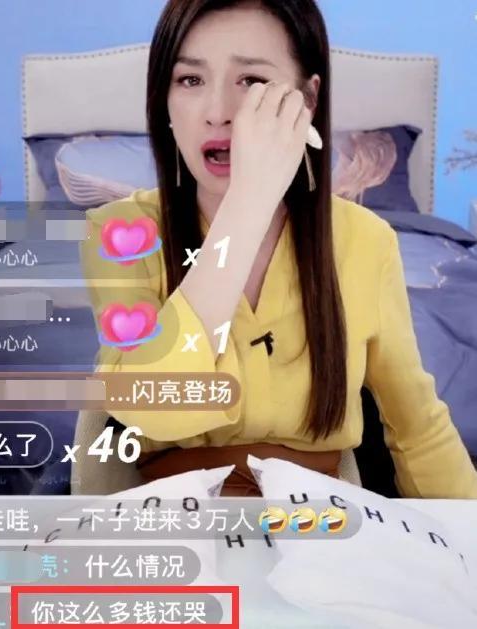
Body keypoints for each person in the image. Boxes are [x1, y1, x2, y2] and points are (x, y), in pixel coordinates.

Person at [77, 0, 477, 498]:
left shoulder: (366, 241)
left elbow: (418, 429)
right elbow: (154, 406)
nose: (218, 113)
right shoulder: (119, 231)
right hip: (172, 519)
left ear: (308, 99)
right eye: (190, 79)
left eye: (251, 81)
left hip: (320, 518)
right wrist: (248, 203)